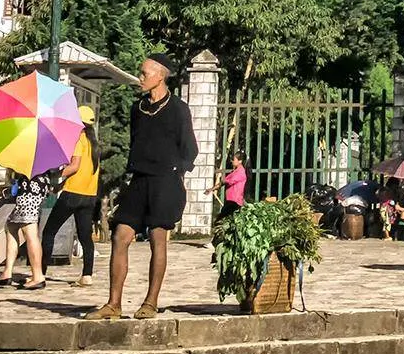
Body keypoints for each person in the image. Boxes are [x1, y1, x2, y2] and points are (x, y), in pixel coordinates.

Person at [89, 51, 196, 320]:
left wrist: (177, 171)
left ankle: (151, 302)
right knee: (120, 237)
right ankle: (113, 304)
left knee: (158, 240)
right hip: (139, 179)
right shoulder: (137, 108)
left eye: (145, 73)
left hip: (165, 182)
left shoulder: (178, 109)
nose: (140, 78)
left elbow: (190, 148)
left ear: (160, 76)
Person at [41, 106, 100, 285]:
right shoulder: (94, 144)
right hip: (89, 195)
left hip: (73, 195)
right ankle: (87, 275)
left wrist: (55, 174)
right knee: (85, 236)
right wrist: (59, 185)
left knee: (49, 231)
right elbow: (84, 171)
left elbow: (74, 166)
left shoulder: (78, 139)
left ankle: (40, 272)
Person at [0, 172, 49, 289]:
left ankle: (38, 276)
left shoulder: (30, 158)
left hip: (30, 191)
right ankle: (7, 273)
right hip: (32, 188)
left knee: (30, 233)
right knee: (11, 227)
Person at [215, 153, 250, 220]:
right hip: (231, 200)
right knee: (227, 218)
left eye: (234, 160)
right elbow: (226, 180)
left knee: (220, 218)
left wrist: (222, 182)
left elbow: (229, 181)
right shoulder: (235, 171)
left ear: (240, 161)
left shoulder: (241, 172)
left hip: (235, 201)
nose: (232, 161)